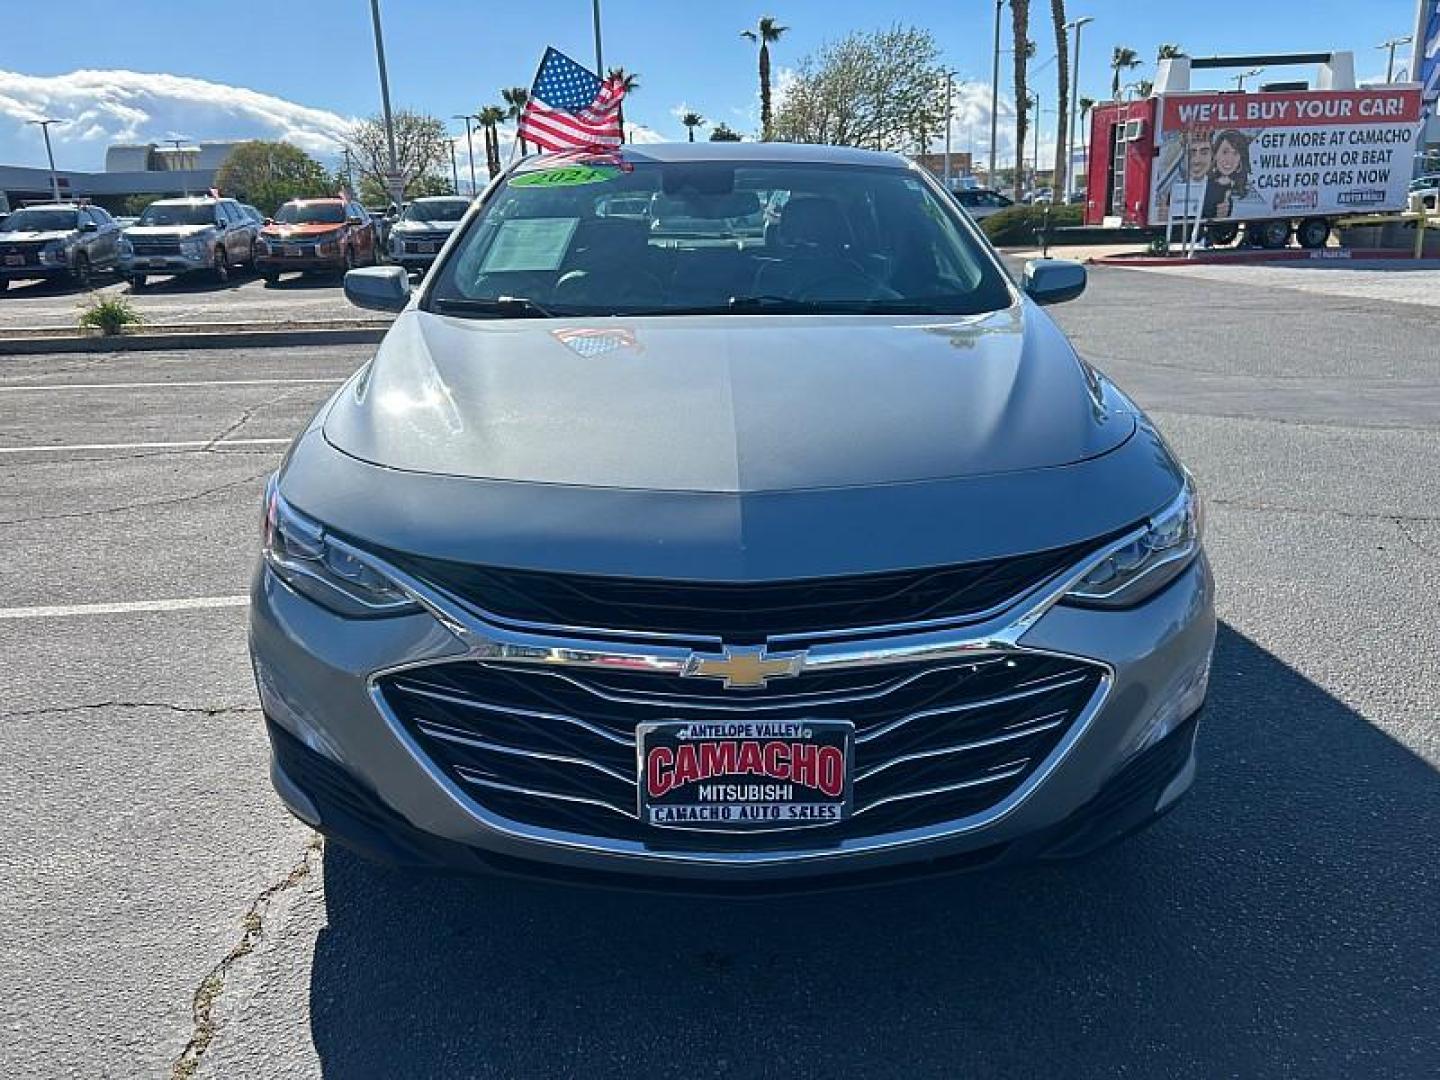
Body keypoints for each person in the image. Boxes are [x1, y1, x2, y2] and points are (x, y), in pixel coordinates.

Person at [1202, 129, 1252, 220]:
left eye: (1235, 153)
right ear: (1216, 154)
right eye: (1225, 152)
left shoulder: (1245, 188)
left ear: (1240, 159)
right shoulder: (1205, 186)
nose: (1229, 159)